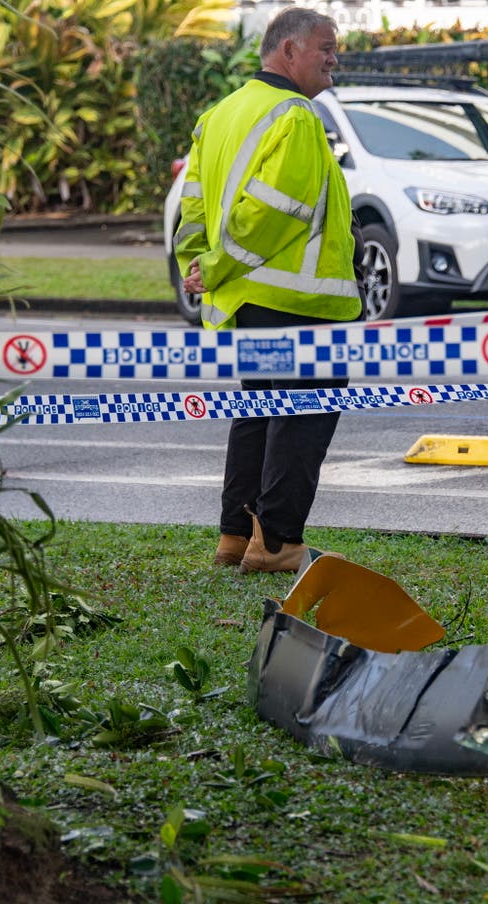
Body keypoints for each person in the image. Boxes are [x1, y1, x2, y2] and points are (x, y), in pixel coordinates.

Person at [175, 7, 363, 574]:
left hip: (249, 301)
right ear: (289, 52)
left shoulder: (219, 115)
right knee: (302, 413)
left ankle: (237, 536)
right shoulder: (297, 115)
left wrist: (201, 264)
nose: (334, 59)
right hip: (301, 301)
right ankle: (278, 542)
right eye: (325, 48)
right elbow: (279, 209)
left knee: (258, 410)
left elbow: (194, 207)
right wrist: (219, 262)